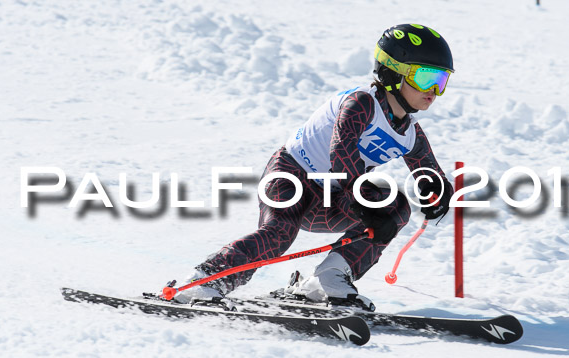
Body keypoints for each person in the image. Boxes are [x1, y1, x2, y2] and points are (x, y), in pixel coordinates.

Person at [168, 23, 455, 310]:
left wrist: (437, 193)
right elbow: (341, 156)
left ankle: (327, 280)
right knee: (279, 232)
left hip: (331, 199)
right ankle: (203, 281)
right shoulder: (361, 104)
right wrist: (364, 207)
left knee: (396, 206)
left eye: (441, 81)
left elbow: (429, 174)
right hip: (290, 178)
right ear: (393, 72)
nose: (433, 90)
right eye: (425, 77)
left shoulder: (410, 134)